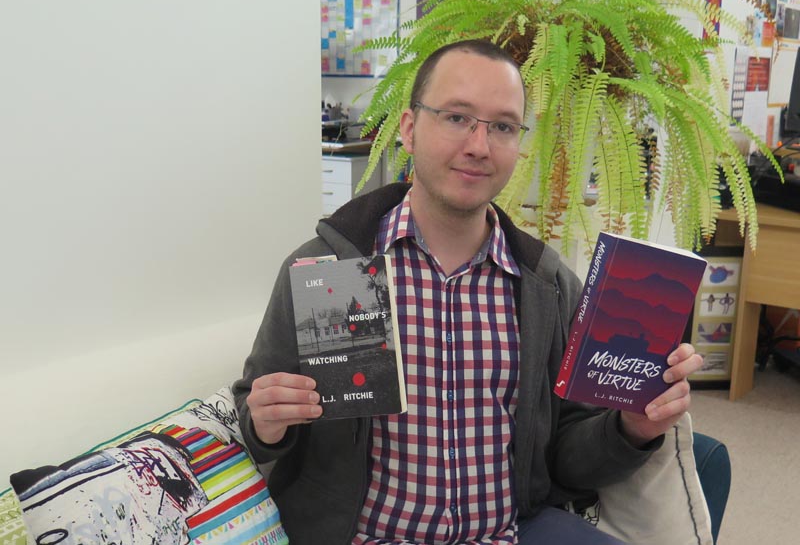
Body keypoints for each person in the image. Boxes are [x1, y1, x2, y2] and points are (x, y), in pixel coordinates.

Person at [233, 39, 704, 545]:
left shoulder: (545, 287)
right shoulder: (335, 269)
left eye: (502, 126)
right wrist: (266, 422)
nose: (479, 145)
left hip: (506, 534)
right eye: (457, 117)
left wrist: (632, 427)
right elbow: (255, 416)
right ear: (410, 130)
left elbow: (568, 457)